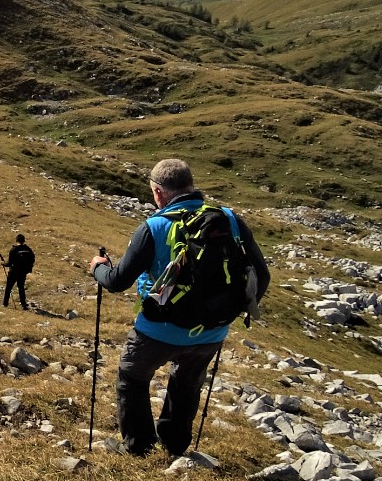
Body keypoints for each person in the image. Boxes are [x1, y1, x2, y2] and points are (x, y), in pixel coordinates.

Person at [89, 158, 269, 457]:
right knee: (187, 384)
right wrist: (231, 313)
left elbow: (118, 281)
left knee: (132, 377)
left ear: (159, 192)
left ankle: (139, 446)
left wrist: (98, 268)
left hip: (157, 328)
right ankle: (174, 443)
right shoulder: (229, 219)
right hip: (212, 332)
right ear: (191, 185)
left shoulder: (154, 227)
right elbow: (261, 274)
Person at [2, 234, 35, 310]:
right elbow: (32, 259)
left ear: (16, 240)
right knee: (21, 287)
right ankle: (23, 304)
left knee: (8, 288)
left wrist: (3, 263)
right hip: (23, 272)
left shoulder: (14, 249)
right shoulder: (28, 249)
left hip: (14, 272)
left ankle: (5, 304)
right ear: (24, 240)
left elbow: (9, 263)